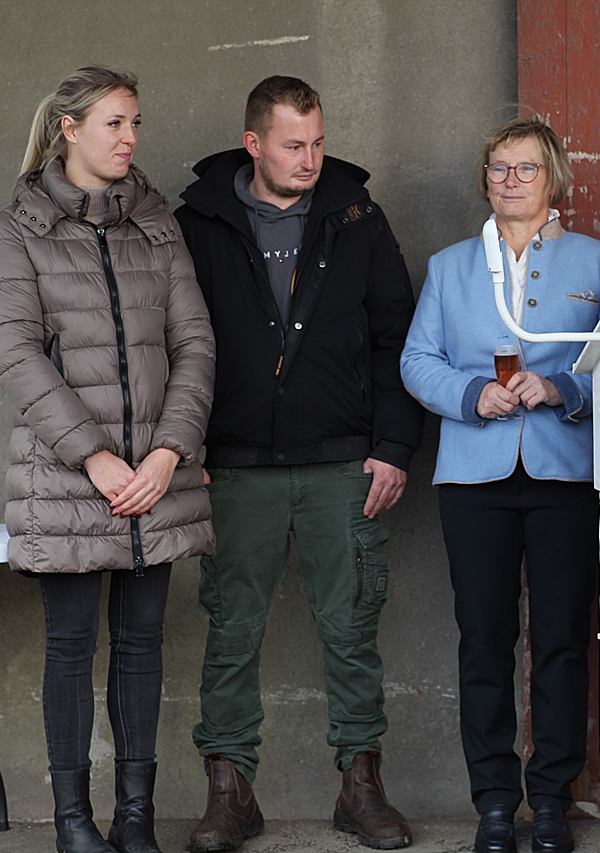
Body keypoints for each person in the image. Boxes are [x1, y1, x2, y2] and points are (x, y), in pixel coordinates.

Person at [173, 75, 423, 852]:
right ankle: (229, 791)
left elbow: (396, 336)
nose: (311, 157)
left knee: (351, 628)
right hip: (234, 466)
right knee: (231, 631)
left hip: (342, 461)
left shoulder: (356, 216)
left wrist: (392, 447)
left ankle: (361, 786)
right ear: (254, 144)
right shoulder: (198, 223)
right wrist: (185, 449)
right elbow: (170, 343)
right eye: (293, 144)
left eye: (317, 141)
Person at [0, 66, 216, 853]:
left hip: (156, 476)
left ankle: (137, 818)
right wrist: (96, 457)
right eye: (115, 123)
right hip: (70, 480)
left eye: (136, 123)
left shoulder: (156, 221)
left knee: (144, 645)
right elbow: (14, 353)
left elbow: (194, 342)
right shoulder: (21, 227)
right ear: (69, 130)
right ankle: (75, 825)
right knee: (71, 648)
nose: (131, 139)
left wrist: (167, 451)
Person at [401, 116, 600, 853]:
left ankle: (553, 799)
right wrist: (471, 395)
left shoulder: (599, 264)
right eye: (498, 168)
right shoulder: (449, 266)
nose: (510, 181)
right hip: (475, 477)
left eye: (525, 169)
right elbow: (416, 359)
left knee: (562, 639)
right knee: (485, 641)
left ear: (553, 178)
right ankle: (495, 802)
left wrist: (564, 389)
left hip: (566, 473)